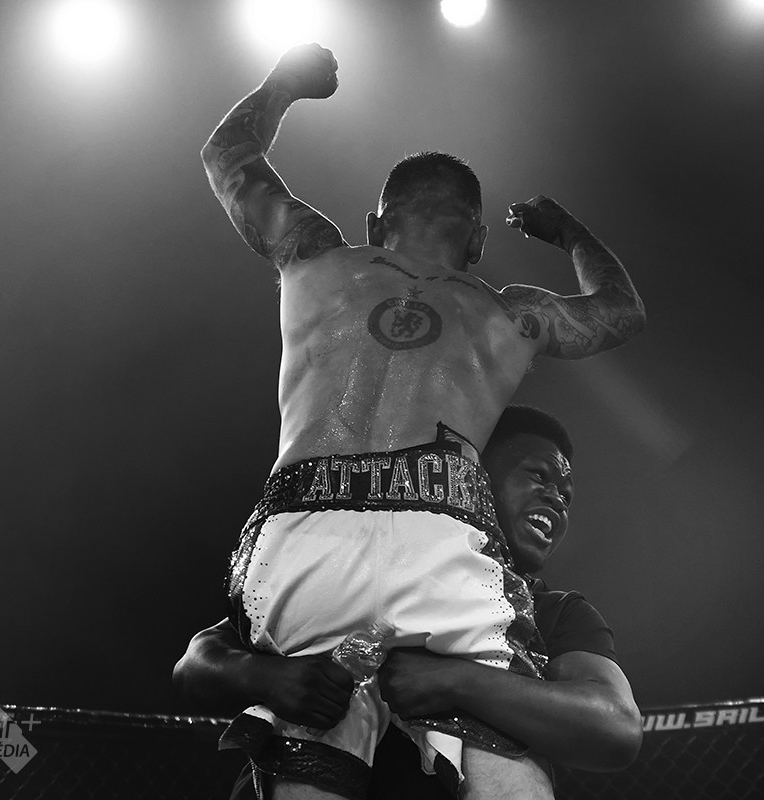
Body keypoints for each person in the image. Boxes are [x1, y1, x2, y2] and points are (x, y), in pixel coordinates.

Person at [199, 39, 645, 800]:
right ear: (478, 241)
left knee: (312, 737)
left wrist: (283, 84)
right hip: (439, 527)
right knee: (507, 757)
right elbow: (621, 311)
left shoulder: (313, 257)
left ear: (376, 224)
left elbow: (227, 155)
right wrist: (568, 231)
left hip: (304, 529)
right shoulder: (511, 315)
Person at [174, 406, 643, 799]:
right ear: (473, 475)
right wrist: (270, 677)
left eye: (566, 495)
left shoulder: (557, 611)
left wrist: (454, 681)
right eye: (538, 475)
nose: (557, 499)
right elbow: (196, 662)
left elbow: (615, 727)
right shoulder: (369, 558)